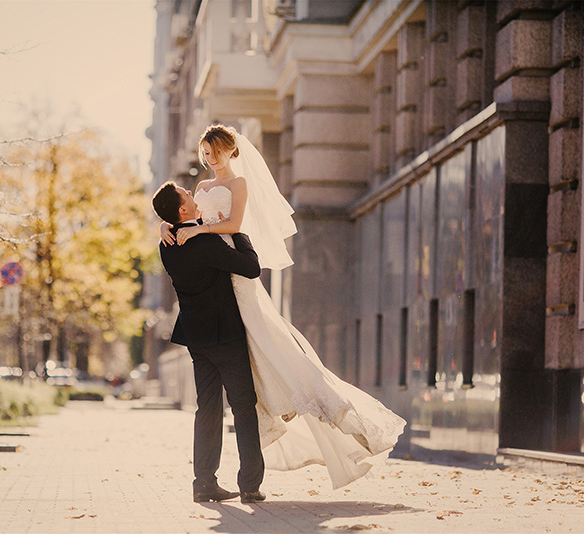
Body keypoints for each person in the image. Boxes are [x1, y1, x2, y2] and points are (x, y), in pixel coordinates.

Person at [160, 124, 406, 490]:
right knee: (241, 401)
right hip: (222, 295)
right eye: (205, 153)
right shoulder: (199, 197)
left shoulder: (235, 189)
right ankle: (245, 483)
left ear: (229, 151)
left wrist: (187, 229)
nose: (208, 160)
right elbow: (199, 224)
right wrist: (172, 225)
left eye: (213, 152)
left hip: (220, 293)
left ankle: (210, 480)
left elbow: (230, 223)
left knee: (239, 380)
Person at [152, 181, 267, 504]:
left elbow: (177, 225)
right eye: (187, 195)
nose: (192, 192)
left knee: (208, 408)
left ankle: (203, 483)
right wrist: (240, 234)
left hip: (195, 336)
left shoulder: (167, 243)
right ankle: (250, 485)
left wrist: (165, 224)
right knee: (243, 406)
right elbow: (251, 268)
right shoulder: (207, 244)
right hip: (225, 334)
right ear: (184, 210)